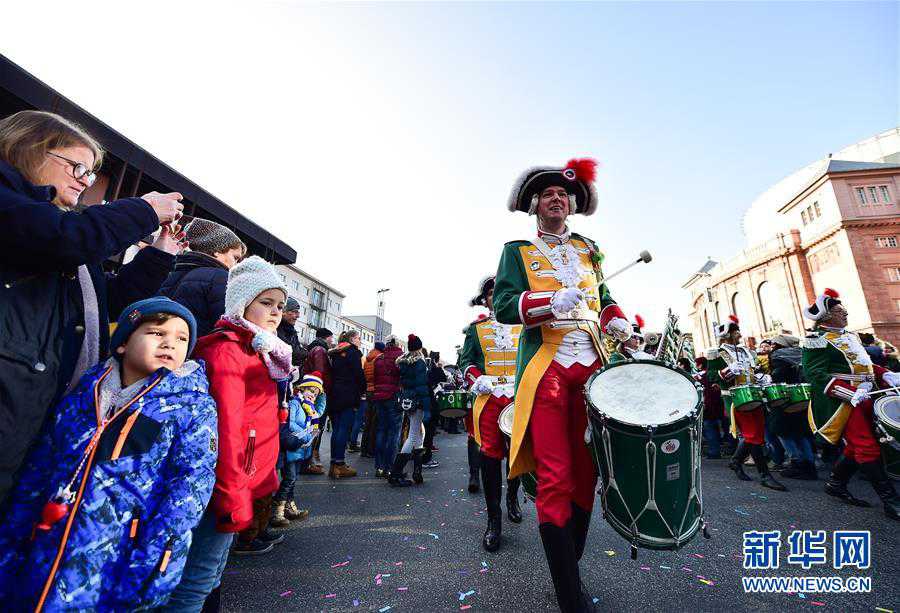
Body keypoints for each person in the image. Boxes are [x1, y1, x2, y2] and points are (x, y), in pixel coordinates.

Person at [0, 110, 186, 505]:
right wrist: (145, 209)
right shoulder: (21, 211)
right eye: (78, 166)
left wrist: (160, 254)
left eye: (90, 172)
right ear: (29, 150)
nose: (86, 180)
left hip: (35, 410)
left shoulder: (61, 227)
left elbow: (107, 304)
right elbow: (67, 239)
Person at [0, 298, 215, 610]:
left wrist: (157, 561)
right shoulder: (87, 389)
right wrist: (13, 534)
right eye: (157, 333)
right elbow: (43, 462)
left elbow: (190, 487)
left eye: (182, 338)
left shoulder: (191, 405)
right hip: (47, 540)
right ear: (124, 343)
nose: (171, 343)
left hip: (118, 556)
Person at [493, 158, 634, 612]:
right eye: (549, 193)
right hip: (549, 366)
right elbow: (503, 305)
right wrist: (547, 301)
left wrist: (620, 323)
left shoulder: (590, 249)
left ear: (572, 204)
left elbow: (605, 298)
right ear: (535, 204)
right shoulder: (517, 250)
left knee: (589, 472)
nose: (558, 198)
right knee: (555, 475)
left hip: (594, 366)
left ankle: (566, 570)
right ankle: (570, 595)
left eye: (564, 195)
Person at [165, 256, 293, 611]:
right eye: (265, 303)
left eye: (279, 305)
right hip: (224, 482)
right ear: (242, 302)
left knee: (214, 574)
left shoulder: (260, 350)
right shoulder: (228, 350)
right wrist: (234, 493)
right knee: (196, 582)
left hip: (241, 477)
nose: (275, 312)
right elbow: (225, 432)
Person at [801, 288, 899, 520]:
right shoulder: (815, 341)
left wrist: (885, 374)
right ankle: (891, 501)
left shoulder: (850, 336)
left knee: (859, 445)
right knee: (866, 446)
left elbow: (862, 366)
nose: (845, 313)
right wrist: (848, 394)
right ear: (826, 316)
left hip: (867, 394)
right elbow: (815, 376)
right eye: (839, 310)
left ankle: (836, 482)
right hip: (843, 401)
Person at [459, 276, 523, 552]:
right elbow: (466, 361)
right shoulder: (477, 329)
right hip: (489, 398)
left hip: (520, 397)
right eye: (490, 293)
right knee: (490, 457)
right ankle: (493, 520)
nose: (496, 297)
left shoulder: (526, 326)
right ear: (484, 299)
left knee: (517, 454)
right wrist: (475, 378)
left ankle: (513, 498)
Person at [707, 315, 787, 492]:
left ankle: (736, 461)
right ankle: (764, 475)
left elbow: (753, 370)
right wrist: (726, 371)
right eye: (736, 332)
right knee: (753, 434)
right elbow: (712, 376)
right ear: (728, 335)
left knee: (756, 432)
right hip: (736, 397)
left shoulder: (746, 351)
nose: (739, 334)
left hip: (754, 394)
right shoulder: (716, 353)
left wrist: (761, 377)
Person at [159, 217, 247, 337]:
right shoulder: (221, 277)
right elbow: (228, 324)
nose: (235, 264)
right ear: (218, 251)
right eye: (235, 257)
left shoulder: (175, 269)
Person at [271, 372, 324, 527]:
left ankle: (289, 507)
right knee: (289, 479)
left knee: (293, 480)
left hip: (301, 449)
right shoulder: (295, 403)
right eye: (311, 391)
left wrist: (322, 395)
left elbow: (319, 412)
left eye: (316, 393)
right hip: (292, 447)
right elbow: (290, 423)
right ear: (303, 388)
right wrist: (306, 435)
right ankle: (277, 511)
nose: (313, 395)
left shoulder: (311, 408)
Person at [767, 335, 816, 480]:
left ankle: (797, 461)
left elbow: (778, 378)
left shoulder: (778, 357)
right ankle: (810, 465)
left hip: (784, 398)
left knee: (782, 431)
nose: (772, 346)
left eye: (774, 343)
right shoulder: (802, 354)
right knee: (801, 432)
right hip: (801, 397)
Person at [390, 334, 431, 487]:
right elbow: (422, 386)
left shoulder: (403, 362)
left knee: (418, 433)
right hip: (418, 401)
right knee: (413, 435)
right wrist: (427, 407)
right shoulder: (419, 362)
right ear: (419, 347)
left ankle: (417, 472)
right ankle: (396, 473)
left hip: (408, 400)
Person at [327, 330, 367, 478]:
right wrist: (363, 389)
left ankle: (333, 464)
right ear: (351, 339)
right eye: (358, 338)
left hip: (334, 394)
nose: (360, 341)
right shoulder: (353, 352)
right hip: (348, 394)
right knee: (344, 429)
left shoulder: (335, 352)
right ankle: (340, 464)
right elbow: (359, 374)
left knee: (337, 429)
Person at [303, 327, 334, 473]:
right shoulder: (321, 351)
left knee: (312, 425)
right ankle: (309, 460)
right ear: (326, 337)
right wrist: (321, 392)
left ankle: (308, 459)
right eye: (331, 338)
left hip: (313, 390)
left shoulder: (313, 348)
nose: (332, 341)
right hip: (319, 392)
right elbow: (320, 372)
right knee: (316, 425)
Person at [373, 336, 404, 478]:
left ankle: (379, 466)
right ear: (397, 344)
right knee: (394, 432)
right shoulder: (400, 358)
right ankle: (390, 467)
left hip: (379, 397)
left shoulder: (379, 358)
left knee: (381, 430)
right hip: (393, 396)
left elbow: (375, 378)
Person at [695, 356, 725, 459]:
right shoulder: (712, 375)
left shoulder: (703, 376)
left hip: (708, 407)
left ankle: (714, 452)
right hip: (715, 407)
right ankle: (716, 450)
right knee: (713, 429)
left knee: (709, 429)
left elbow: (705, 393)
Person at [422, 351, 448, 468]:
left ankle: (416, 457)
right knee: (428, 431)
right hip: (428, 401)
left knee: (415, 433)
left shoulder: (410, 365)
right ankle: (425, 458)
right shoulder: (432, 368)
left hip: (415, 402)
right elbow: (443, 378)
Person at [360, 342, 385, 458]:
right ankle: (371, 449)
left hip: (368, 390)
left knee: (368, 421)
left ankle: (364, 448)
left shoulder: (368, 358)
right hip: (375, 390)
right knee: (375, 422)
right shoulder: (378, 359)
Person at [277, 297, 309, 369]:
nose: (298, 316)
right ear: (283, 312)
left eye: (298, 312)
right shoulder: (276, 328)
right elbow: (293, 353)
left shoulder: (291, 330)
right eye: (294, 312)